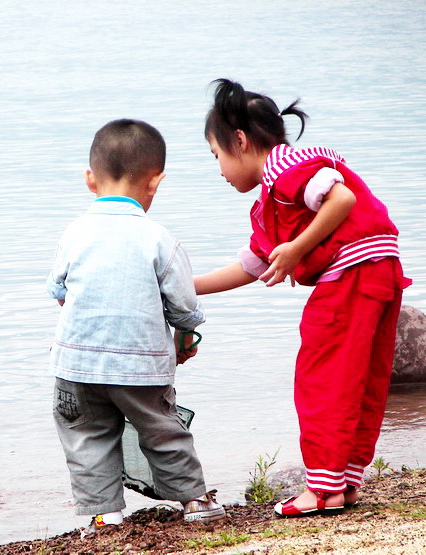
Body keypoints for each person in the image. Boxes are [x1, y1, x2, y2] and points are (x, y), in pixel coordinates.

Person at [196, 78, 411, 518]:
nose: (218, 170)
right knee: (361, 378)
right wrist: (181, 287)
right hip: (380, 269)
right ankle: (345, 483)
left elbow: (342, 200)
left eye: (216, 156)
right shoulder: (275, 198)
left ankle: (321, 490)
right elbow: (253, 265)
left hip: (350, 274)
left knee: (322, 378)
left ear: (239, 142)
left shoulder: (283, 167)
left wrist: (296, 249)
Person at [46, 119, 226, 535]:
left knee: (86, 438)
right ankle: (195, 502)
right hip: (141, 367)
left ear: (90, 179)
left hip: (76, 367)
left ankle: (104, 515)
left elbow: (58, 290)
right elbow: (183, 305)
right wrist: (185, 337)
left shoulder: (73, 233)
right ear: (155, 182)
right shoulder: (160, 238)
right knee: (163, 430)